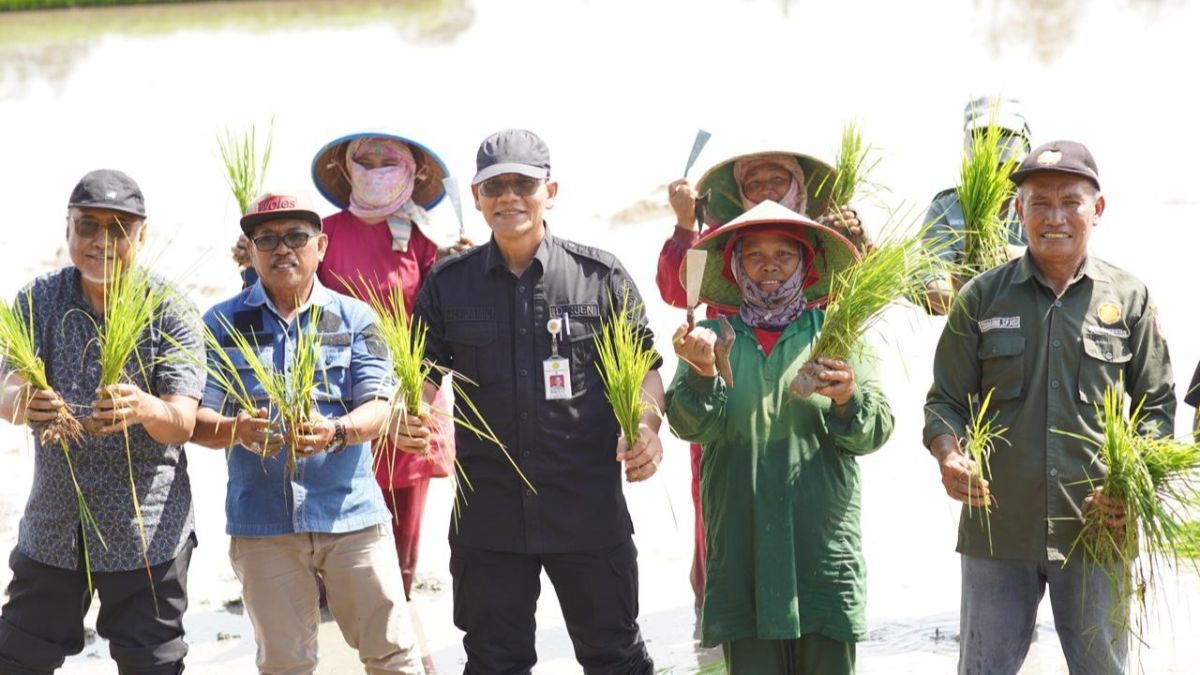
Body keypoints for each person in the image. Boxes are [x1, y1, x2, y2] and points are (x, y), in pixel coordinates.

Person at [395, 128, 663, 674]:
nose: (509, 197)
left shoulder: (599, 277)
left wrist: (648, 428)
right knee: (494, 661)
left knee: (615, 656)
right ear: (476, 198)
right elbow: (419, 381)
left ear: (551, 190)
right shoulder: (448, 285)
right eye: (495, 186)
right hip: (488, 517)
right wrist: (408, 418)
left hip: (586, 509)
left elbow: (647, 375)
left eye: (523, 183)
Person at [923, 141, 1175, 675]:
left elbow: (1156, 407)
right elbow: (945, 400)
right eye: (1039, 203)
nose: (1054, 217)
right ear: (1019, 211)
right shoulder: (980, 297)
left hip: (1098, 528)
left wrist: (1133, 485)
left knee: (1104, 668)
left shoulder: (1130, 298)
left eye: (1070, 202)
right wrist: (948, 455)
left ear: (1097, 209)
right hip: (997, 529)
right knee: (983, 668)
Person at [191, 192, 422, 674]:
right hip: (263, 524)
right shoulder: (221, 323)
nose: (282, 250)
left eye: (296, 237)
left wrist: (336, 431)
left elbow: (378, 406)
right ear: (250, 250)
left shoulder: (358, 318)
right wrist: (238, 429)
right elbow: (198, 422)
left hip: (351, 518)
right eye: (267, 239)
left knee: (393, 655)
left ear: (321, 246)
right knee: (284, 663)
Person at [666, 200, 892, 674]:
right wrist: (703, 373)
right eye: (754, 255)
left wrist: (848, 397)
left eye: (784, 255)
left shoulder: (837, 332)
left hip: (821, 555)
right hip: (742, 556)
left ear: (806, 266)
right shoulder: (708, 336)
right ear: (734, 265)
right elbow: (689, 425)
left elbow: (873, 432)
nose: (769, 267)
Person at [0, 169, 204, 674]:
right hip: (54, 523)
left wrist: (146, 408)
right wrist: (22, 400)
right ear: (68, 228)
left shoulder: (170, 308)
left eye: (118, 229)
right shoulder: (38, 300)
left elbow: (182, 420)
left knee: (152, 664)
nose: (101, 242)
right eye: (87, 225)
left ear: (142, 235)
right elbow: (5, 388)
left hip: (145, 531)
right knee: (17, 658)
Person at [655, 150, 865, 616]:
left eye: (779, 178)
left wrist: (859, 245)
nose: (767, 188)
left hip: (805, 399)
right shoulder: (716, 243)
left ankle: (811, 611)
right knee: (720, 510)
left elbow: (865, 299)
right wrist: (686, 225)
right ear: (738, 192)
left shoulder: (827, 239)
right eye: (755, 182)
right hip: (726, 393)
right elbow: (676, 291)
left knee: (814, 508)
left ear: (799, 186)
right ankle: (717, 609)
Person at [311, 130, 469, 599]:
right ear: (345, 167)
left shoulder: (424, 238)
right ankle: (331, 610)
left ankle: (398, 605)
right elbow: (297, 299)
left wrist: (458, 265)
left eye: (389, 160)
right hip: (337, 391)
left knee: (403, 518)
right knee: (334, 510)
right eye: (366, 159)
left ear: (413, 170)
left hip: (409, 390)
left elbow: (440, 317)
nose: (376, 168)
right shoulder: (322, 234)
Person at [923, 96, 1033, 314]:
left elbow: (1073, 263)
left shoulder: (1043, 203)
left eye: (1006, 136)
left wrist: (1026, 257)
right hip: (974, 333)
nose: (997, 159)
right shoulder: (948, 208)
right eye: (983, 136)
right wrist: (975, 306)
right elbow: (931, 275)